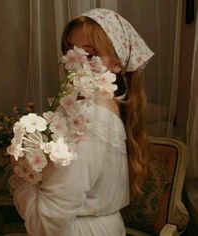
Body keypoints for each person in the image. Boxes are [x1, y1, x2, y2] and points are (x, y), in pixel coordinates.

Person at [9, 8, 154, 236]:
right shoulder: (104, 109)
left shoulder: (91, 117)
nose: (73, 60)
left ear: (117, 64)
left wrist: (20, 176)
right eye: (68, 49)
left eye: (89, 54)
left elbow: (46, 223)